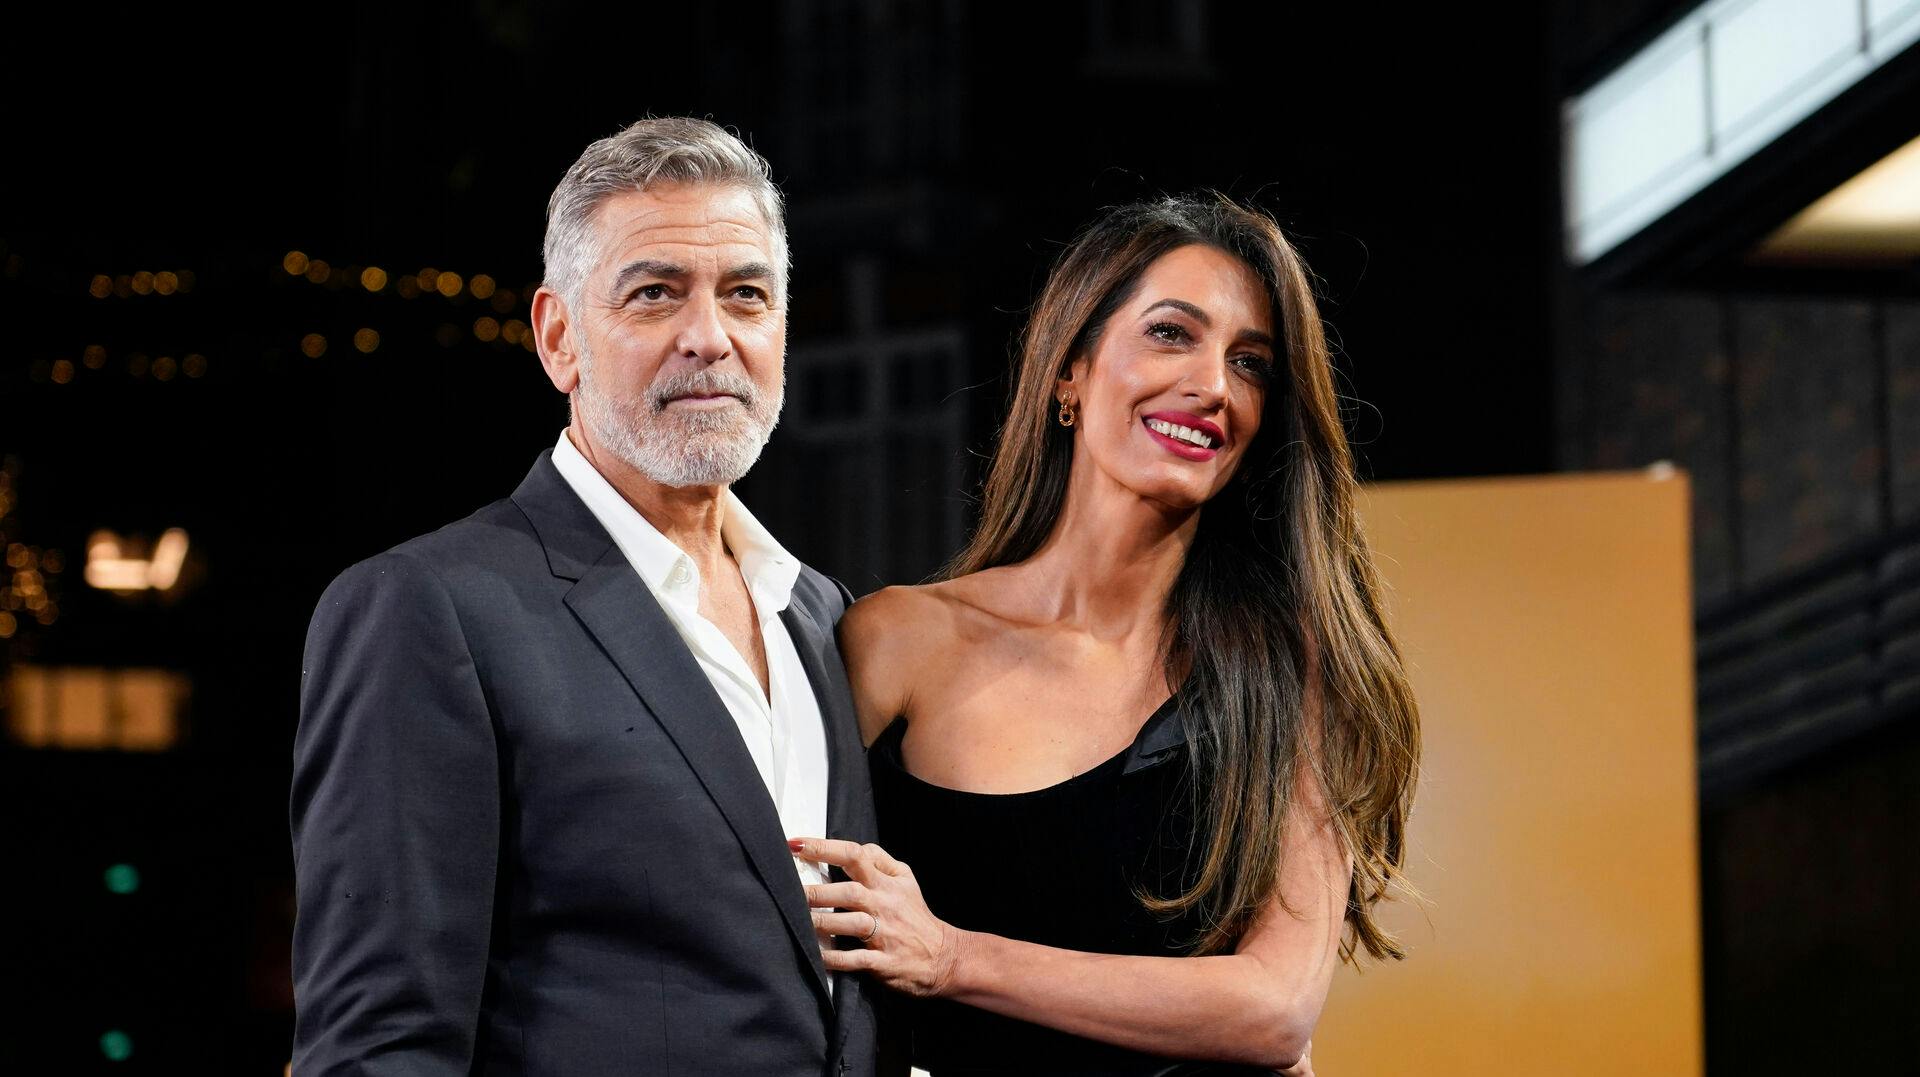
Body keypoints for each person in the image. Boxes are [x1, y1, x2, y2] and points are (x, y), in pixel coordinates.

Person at [291, 117, 890, 1076]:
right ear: (558, 338)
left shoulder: (820, 615)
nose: (710, 338)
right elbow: (380, 1045)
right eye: (655, 294)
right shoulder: (424, 609)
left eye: (747, 295)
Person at [788, 194, 1422, 1075]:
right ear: (1070, 373)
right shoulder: (896, 639)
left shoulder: (1280, 666)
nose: (1213, 387)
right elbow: (779, 923)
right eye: (1173, 333)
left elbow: (1276, 1008)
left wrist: (952, 957)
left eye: (1251, 363)